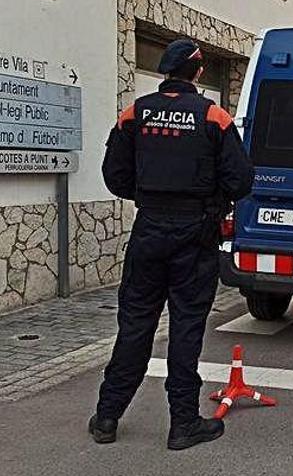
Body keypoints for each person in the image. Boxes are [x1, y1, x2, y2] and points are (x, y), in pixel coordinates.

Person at [90, 39, 254, 450]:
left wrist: (150, 199)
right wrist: (211, 205)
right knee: (186, 328)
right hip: (195, 234)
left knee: (134, 326)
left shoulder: (135, 112)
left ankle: (107, 416)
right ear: (197, 72)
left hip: (149, 230)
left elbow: (115, 175)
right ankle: (183, 423)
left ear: (166, 71)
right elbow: (241, 180)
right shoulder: (214, 117)